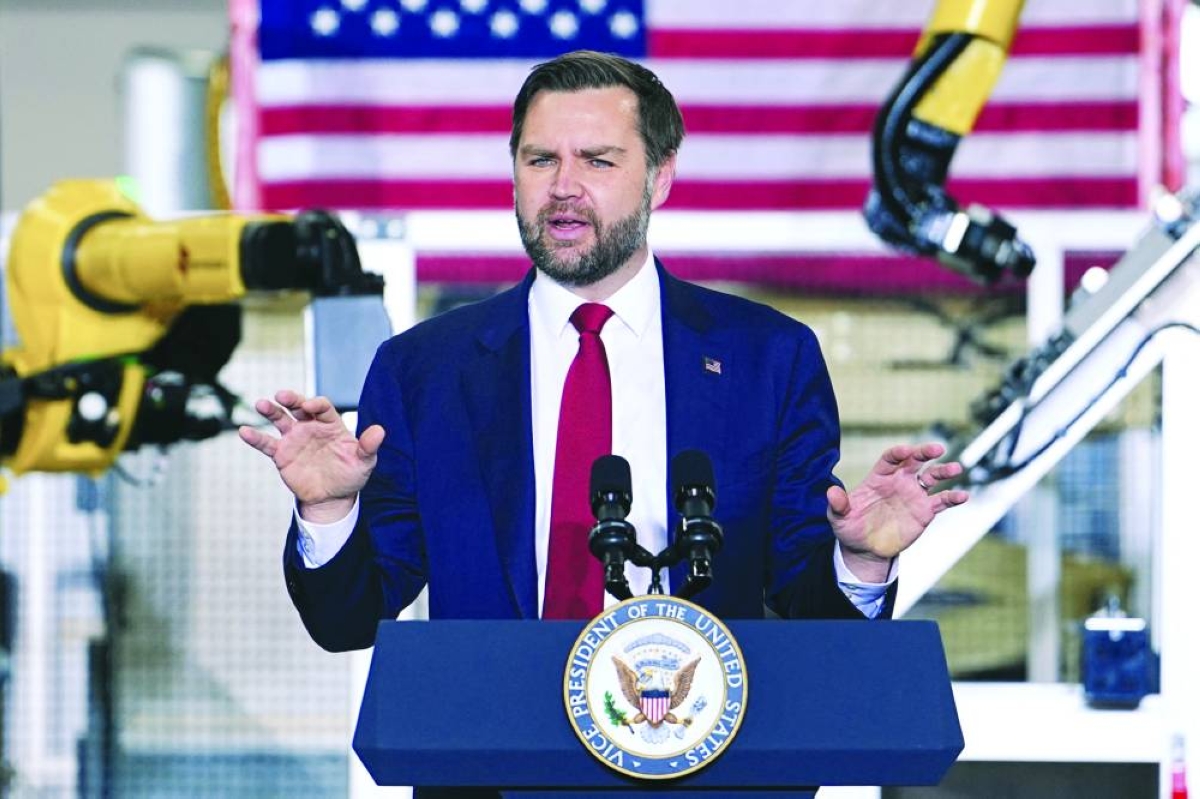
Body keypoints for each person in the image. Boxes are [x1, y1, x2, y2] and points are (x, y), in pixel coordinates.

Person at [239, 50, 969, 654]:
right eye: (539, 160)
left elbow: (813, 617)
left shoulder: (768, 361)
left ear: (660, 176)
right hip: (489, 769)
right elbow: (347, 620)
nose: (563, 188)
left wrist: (863, 560)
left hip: (704, 769)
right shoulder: (424, 369)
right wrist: (330, 510)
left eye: (597, 161)